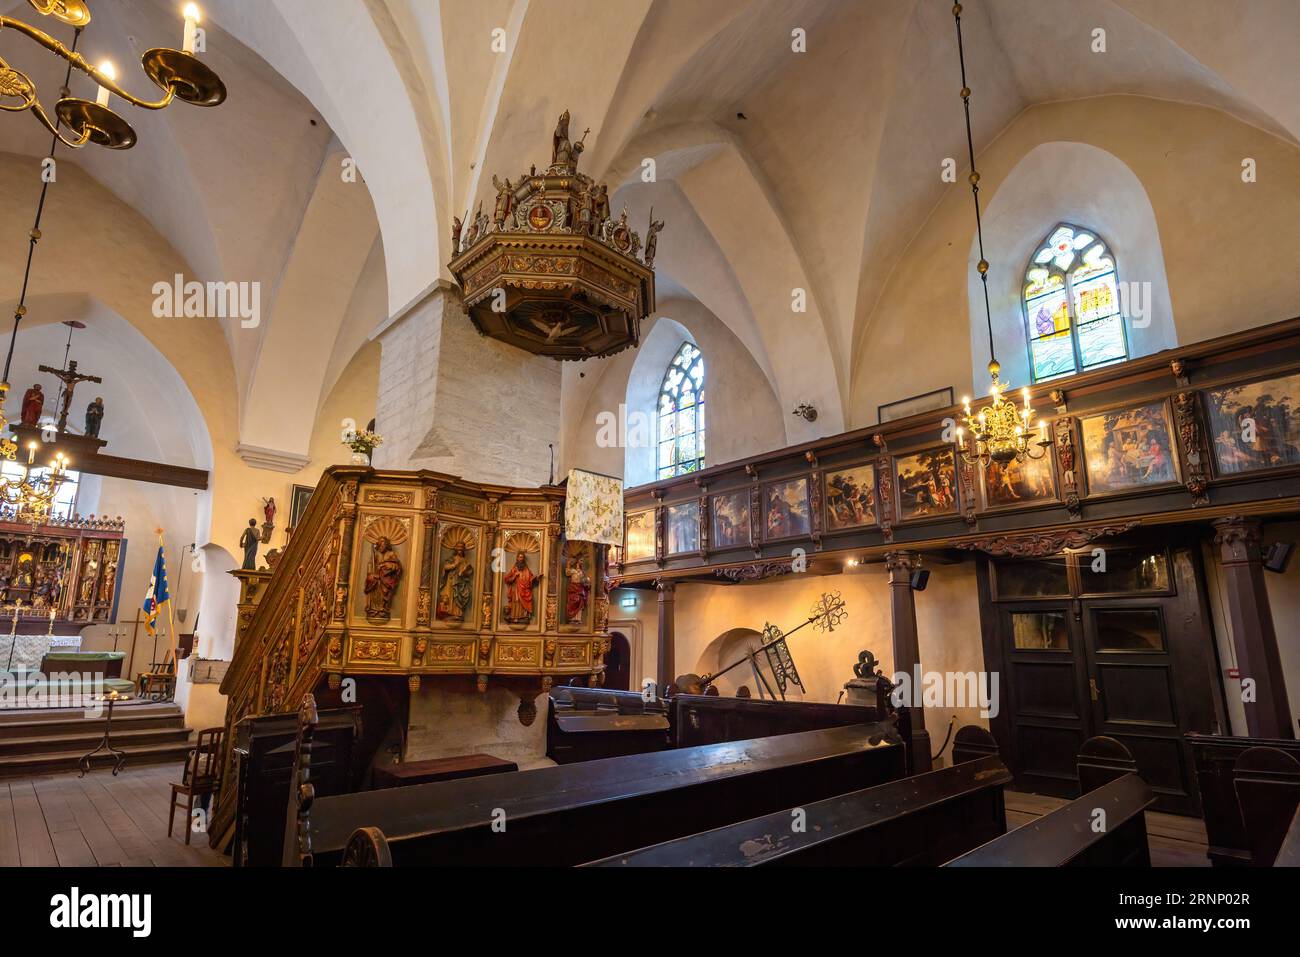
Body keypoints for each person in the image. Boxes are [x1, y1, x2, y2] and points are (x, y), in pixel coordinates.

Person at [363, 536, 403, 618]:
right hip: (378, 576)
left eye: (383, 543)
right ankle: (373, 608)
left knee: (384, 589)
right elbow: (372, 565)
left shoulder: (391, 554)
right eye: (379, 544)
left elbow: (397, 566)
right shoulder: (377, 555)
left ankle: (383, 608)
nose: (381, 545)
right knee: (371, 579)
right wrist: (373, 565)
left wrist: (386, 565)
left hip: (387, 577)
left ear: (386, 544)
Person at [503, 552, 540, 624]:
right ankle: (515, 617)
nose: (521, 559)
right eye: (519, 557)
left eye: (522, 557)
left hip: (524, 590)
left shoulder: (526, 570)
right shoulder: (514, 569)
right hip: (516, 590)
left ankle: (524, 616)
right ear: (517, 558)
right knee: (516, 602)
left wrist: (536, 578)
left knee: (523, 603)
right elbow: (507, 579)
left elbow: (531, 580)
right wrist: (514, 576)